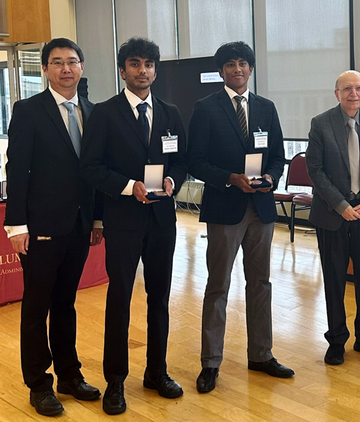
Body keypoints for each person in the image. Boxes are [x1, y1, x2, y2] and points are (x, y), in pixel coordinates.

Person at [80, 37, 187, 414]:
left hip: (162, 220)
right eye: (136, 64)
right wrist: (129, 187)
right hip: (123, 220)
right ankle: (115, 381)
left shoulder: (171, 113)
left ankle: (157, 372)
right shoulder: (104, 114)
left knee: (159, 298)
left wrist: (174, 180)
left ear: (156, 70)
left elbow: (181, 160)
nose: (143, 71)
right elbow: (91, 167)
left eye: (149, 65)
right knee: (120, 300)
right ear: (123, 70)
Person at [187, 41, 294, 394]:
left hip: (261, 208)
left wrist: (271, 178)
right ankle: (211, 362)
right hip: (225, 207)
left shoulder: (266, 107)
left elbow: (279, 156)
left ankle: (261, 354)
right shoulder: (205, 108)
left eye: (243, 64)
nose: (238, 69)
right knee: (219, 285)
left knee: (260, 283)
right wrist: (231, 178)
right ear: (221, 71)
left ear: (250, 69)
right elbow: (195, 161)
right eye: (231, 64)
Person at [4, 38, 102, 416]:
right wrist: (16, 225)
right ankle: (38, 384)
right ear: (44, 69)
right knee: (37, 306)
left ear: (81, 68)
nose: (66, 69)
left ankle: (69, 375)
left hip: (78, 226)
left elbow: (92, 174)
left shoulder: (92, 112)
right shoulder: (28, 110)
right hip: (40, 228)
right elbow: (18, 169)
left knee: (66, 304)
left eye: (72, 62)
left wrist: (96, 218)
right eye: (57, 62)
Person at [306, 70, 360, 365]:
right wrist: (341, 204)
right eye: (347, 89)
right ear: (337, 93)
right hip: (333, 215)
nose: (353, 94)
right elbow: (315, 170)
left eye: (359, 88)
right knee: (334, 280)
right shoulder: (321, 124)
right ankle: (337, 340)